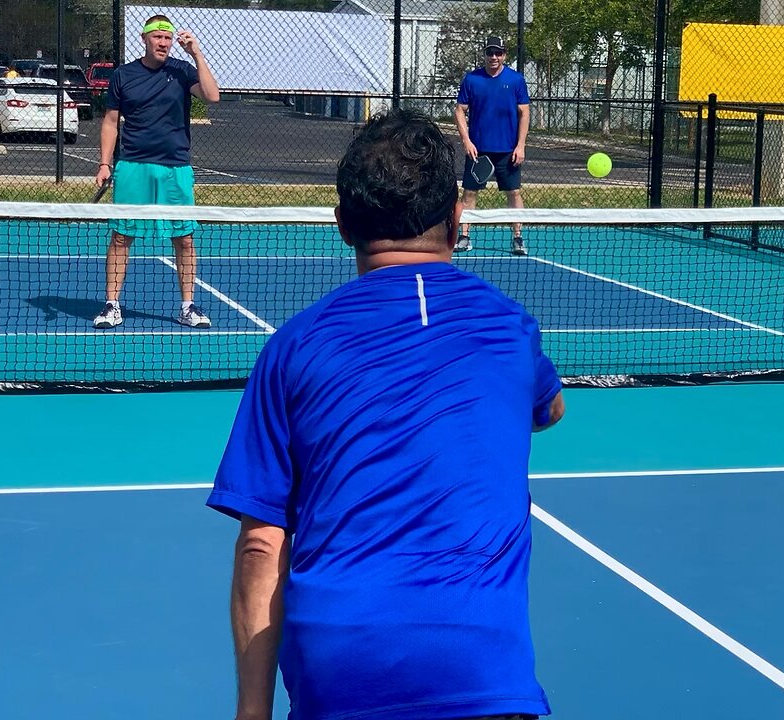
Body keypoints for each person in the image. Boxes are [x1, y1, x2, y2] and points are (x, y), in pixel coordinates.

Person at [207, 109, 565, 720]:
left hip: (339, 671)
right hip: (483, 671)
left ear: (343, 224)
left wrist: (251, 711)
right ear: (458, 216)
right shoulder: (510, 327)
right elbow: (550, 408)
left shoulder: (293, 347)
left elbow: (262, 547)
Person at [92, 14, 220, 329]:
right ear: (145, 38)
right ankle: (112, 305)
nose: (162, 43)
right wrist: (105, 163)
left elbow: (212, 95)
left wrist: (196, 53)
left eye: (167, 37)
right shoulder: (124, 75)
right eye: (157, 37)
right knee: (122, 236)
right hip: (133, 166)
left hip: (175, 168)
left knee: (185, 239)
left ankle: (187, 307)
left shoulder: (182, 70)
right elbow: (110, 121)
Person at [454, 35, 531, 256]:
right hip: (478, 151)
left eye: (498, 53)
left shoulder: (516, 80)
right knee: (469, 193)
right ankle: (464, 236)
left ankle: (518, 238)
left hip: (508, 151)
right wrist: (466, 141)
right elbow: (459, 110)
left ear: (504, 55)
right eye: (490, 53)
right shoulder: (472, 79)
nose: (494, 57)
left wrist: (521, 145)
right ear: (485, 55)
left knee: (514, 192)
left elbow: (524, 112)